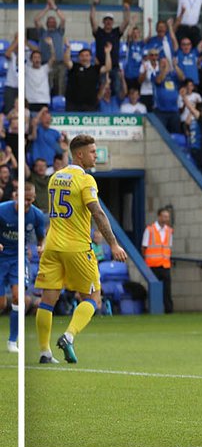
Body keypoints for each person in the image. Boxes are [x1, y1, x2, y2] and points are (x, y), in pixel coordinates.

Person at [33, 135, 129, 364]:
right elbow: (97, 212)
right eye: (93, 152)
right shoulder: (85, 180)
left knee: (47, 300)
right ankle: (68, 336)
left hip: (53, 246)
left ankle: (45, 352)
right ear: (79, 154)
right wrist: (114, 244)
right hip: (76, 247)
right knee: (93, 298)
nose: (96, 155)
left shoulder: (55, 177)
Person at [1, 184, 48, 352]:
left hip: (18, 259)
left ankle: (12, 341)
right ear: (16, 196)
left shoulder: (36, 215)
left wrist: (41, 247)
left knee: (18, 298)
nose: (27, 202)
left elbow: (41, 238)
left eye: (30, 199)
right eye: (24, 199)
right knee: (1, 304)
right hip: (0, 258)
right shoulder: (2, 210)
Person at [141, 207, 174, 314]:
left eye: (167, 217)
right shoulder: (150, 230)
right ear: (159, 216)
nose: (166, 219)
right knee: (153, 289)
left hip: (165, 265)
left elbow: (168, 247)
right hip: (152, 265)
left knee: (167, 290)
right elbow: (144, 247)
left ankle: (169, 310)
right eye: (164, 216)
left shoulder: (169, 231)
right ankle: (152, 309)